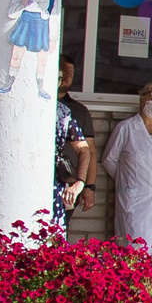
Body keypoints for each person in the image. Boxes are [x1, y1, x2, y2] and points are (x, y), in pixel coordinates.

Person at [104, 83, 152, 250]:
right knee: (133, 249)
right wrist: (128, 181)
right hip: (134, 200)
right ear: (142, 100)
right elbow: (109, 160)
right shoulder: (126, 128)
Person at [51, 60, 94, 231]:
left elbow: (85, 149)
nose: (58, 81)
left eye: (60, 78)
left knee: (52, 241)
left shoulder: (63, 112)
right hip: (23, 182)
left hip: (54, 185)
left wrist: (81, 183)